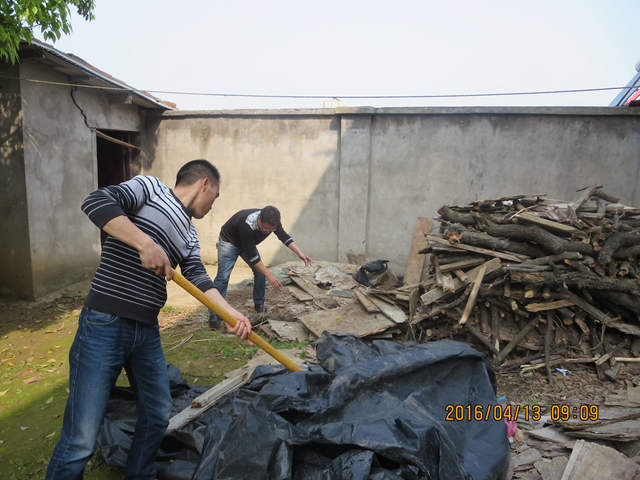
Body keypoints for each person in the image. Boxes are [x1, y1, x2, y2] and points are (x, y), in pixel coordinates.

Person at [45, 159, 252, 480]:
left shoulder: (190, 234)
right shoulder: (150, 188)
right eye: (216, 195)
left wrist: (230, 312)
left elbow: (198, 277)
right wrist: (145, 244)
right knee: (81, 439)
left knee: (157, 414)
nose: (214, 204)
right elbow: (95, 201)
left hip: (146, 331)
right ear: (204, 184)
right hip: (105, 322)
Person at [208, 206, 312, 329]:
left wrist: (300, 253)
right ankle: (214, 314)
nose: (267, 232)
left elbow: (284, 237)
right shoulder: (246, 225)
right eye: (265, 228)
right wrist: (269, 275)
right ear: (259, 220)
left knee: (260, 273)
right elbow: (253, 257)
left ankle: (259, 305)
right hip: (229, 241)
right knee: (223, 277)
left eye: (270, 230)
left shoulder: (273, 221)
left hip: (248, 245)